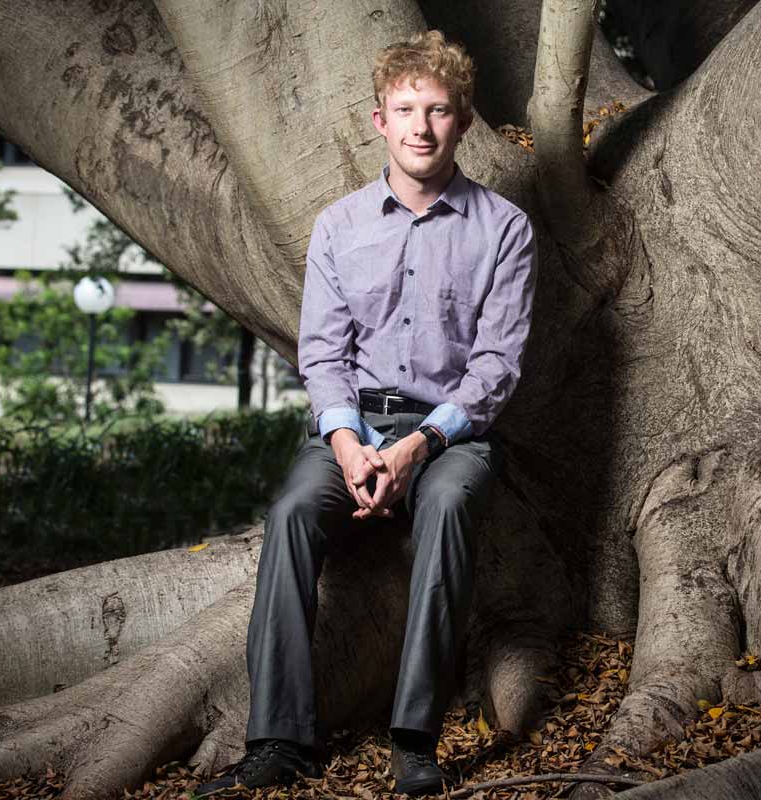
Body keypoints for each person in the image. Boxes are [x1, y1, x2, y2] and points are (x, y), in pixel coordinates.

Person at [195, 29, 536, 798]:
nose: (422, 127)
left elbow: (496, 366)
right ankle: (278, 740)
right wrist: (350, 446)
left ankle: (414, 740)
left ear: (463, 122)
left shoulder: (504, 230)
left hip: (452, 436)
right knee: (291, 512)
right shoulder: (339, 226)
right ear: (380, 120)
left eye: (438, 110)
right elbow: (322, 356)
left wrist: (417, 447)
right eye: (405, 110)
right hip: (352, 429)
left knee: (447, 505)